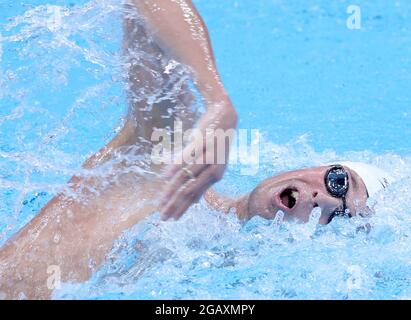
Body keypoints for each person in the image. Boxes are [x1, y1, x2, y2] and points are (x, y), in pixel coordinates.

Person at [0, 0, 393, 299]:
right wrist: (217, 99)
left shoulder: (221, 281)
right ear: (317, 164)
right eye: (338, 182)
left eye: (335, 218)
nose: (320, 199)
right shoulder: (162, 159)